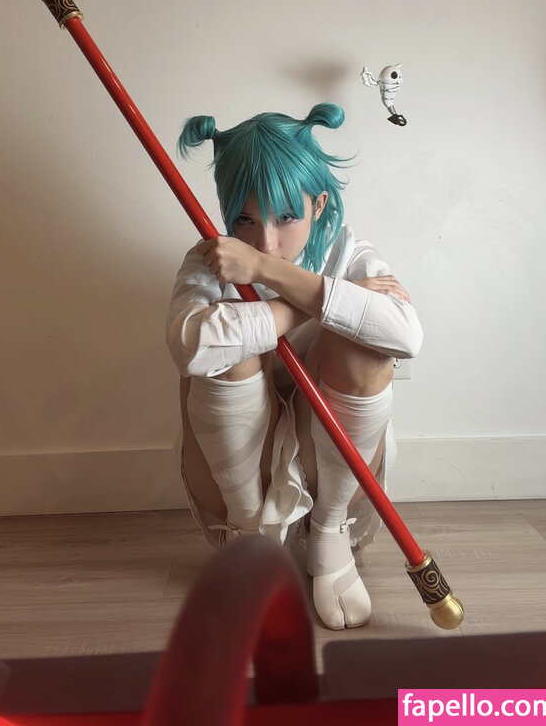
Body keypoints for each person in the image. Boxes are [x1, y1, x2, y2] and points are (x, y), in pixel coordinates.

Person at [165, 103, 423, 630]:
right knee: (227, 346)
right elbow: (190, 346)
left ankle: (328, 533)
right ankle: (249, 540)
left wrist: (266, 272)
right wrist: (315, 304)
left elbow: (405, 336)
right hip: (238, 473)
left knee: (366, 345)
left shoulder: (349, 252)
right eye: (244, 219)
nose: (266, 242)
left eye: (286, 217)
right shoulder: (212, 260)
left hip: (332, 464)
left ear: (318, 202)